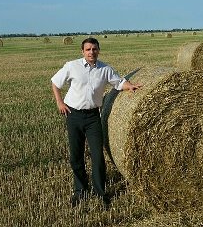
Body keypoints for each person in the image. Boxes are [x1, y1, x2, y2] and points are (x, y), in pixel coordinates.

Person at [51, 37, 142, 208]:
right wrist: (59, 102)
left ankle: (100, 192)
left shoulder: (105, 69)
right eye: (88, 49)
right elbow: (55, 83)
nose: (91, 52)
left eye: (94, 49)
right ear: (82, 52)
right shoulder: (72, 66)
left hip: (93, 117)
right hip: (73, 115)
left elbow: (119, 82)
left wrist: (130, 86)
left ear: (98, 50)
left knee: (98, 157)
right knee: (76, 156)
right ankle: (80, 191)